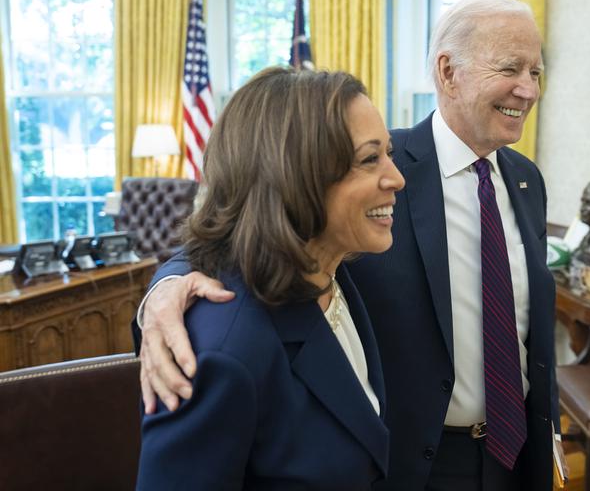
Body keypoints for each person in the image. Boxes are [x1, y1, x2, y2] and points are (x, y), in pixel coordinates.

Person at [137, 0, 560, 490]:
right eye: (511, 68)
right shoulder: (370, 171)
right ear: (448, 73)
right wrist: (165, 289)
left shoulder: (527, 180)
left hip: (515, 454)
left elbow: (527, 332)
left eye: (536, 71)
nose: (528, 90)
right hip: (410, 462)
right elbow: (249, 225)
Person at [135, 67, 405, 490]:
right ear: (297, 174)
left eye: (388, 153)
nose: (397, 177)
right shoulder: (222, 356)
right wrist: (163, 287)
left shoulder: (337, 264)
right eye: (370, 159)